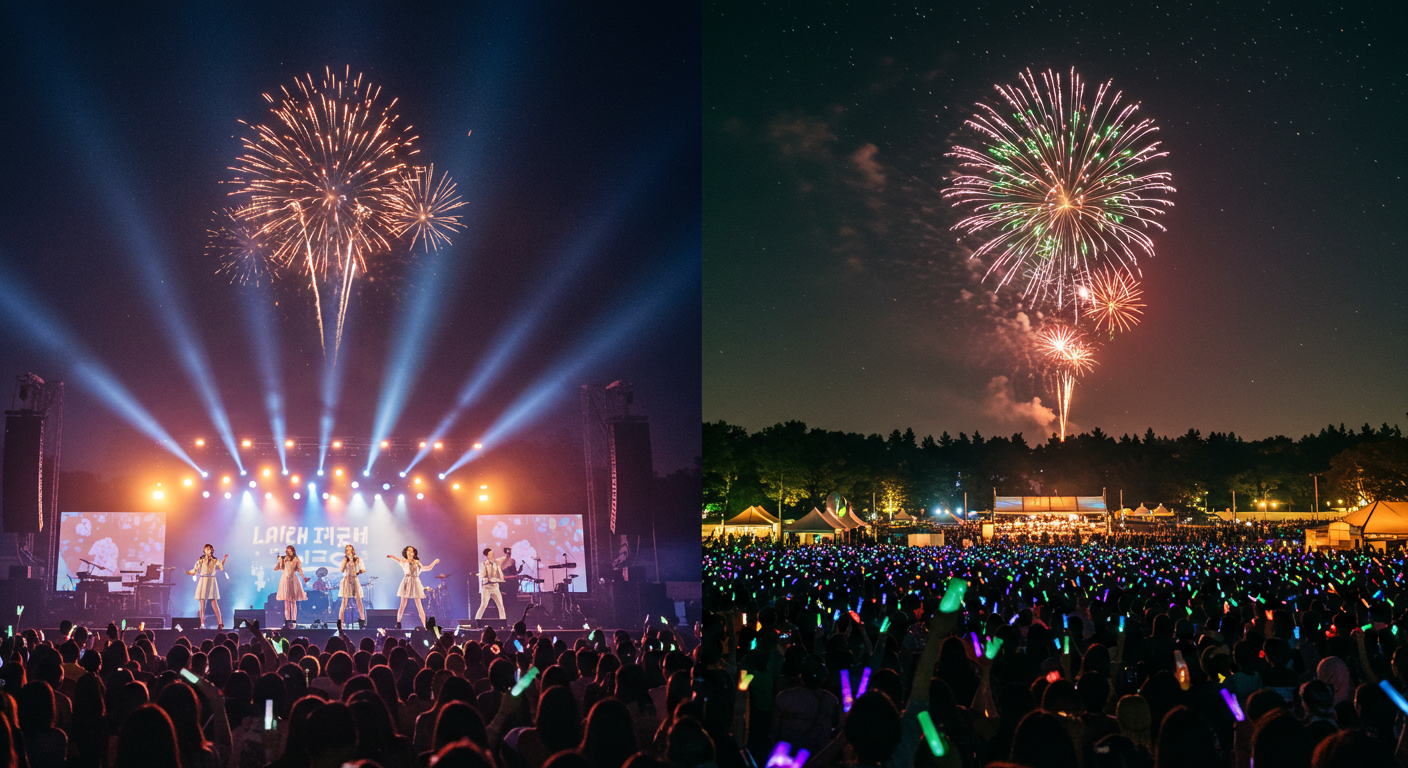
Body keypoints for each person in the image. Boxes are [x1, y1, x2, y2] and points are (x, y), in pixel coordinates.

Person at [389, 547, 441, 630]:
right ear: (406, 552)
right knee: (403, 603)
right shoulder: (404, 561)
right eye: (408, 551)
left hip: (416, 581)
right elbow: (397, 560)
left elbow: (426, 568)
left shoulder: (417, 562)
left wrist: (434, 562)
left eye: (411, 551)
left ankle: (425, 626)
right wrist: (392, 557)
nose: (410, 552)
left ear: (414, 553)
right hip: (407, 581)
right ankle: (398, 622)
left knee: (419, 604)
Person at [186, 544, 229, 629]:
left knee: (214, 601)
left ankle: (220, 623)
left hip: (211, 580)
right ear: (205, 550)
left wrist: (224, 559)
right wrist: (187, 572)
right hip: (203, 580)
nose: (210, 551)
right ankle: (201, 623)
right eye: (208, 549)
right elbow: (195, 570)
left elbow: (220, 565)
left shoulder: (215, 560)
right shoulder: (201, 560)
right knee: (202, 602)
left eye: (211, 549)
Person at [276, 545, 310, 629]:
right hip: (285, 579)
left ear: (293, 551)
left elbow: (299, 569)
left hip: (293, 580)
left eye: (290, 551)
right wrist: (280, 561)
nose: (289, 552)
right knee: (287, 601)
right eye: (287, 551)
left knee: (293, 601)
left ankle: (294, 619)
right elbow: (280, 568)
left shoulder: (296, 559)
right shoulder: (284, 559)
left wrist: (303, 577)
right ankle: (287, 619)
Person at [340, 544, 368, 629]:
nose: (349, 551)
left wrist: (358, 572)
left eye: (350, 549)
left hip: (355, 579)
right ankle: (341, 621)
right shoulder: (345, 559)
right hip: (347, 579)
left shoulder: (357, 559)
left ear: (353, 550)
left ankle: (362, 619)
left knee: (358, 599)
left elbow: (363, 569)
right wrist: (346, 562)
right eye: (347, 549)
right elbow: (342, 570)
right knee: (344, 601)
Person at [475, 548, 506, 621]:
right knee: (483, 605)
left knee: (501, 606)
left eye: (493, 553)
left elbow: (504, 558)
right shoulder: (484, 564)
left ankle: (503, 622)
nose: (493, 555)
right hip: (487, 588)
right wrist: (485, 578)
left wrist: (507, 553)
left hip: (495, 587)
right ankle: (476, 621)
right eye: (491, 554)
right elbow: (483, 574)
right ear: (488, 556)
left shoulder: (496, 563)